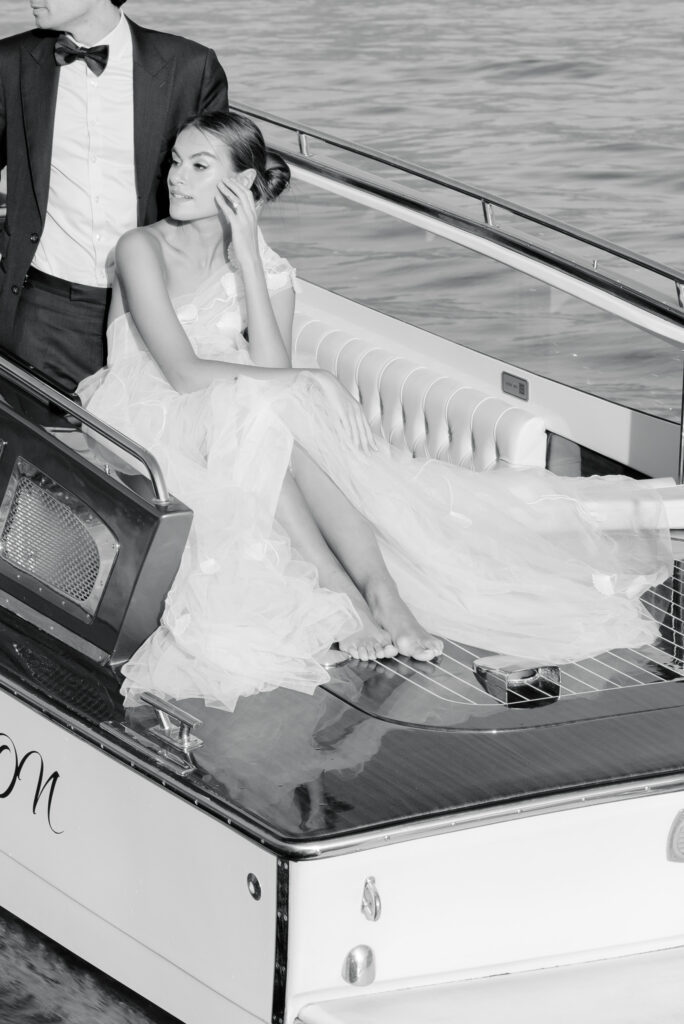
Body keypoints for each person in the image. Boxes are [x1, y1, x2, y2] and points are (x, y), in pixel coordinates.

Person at [78, 110, 674, 714]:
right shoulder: (141, 247)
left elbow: (273, 365)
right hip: (146, 408)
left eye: (198, 166)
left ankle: (380, 596)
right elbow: (181, 372)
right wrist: (308, 377)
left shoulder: (268, 267)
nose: (176, 178)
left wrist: (251, 256)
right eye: (176, 162)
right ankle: (355, 595)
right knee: (262, 408)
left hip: (239, 405)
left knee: (268, 410)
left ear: (243, 185)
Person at [0, 0, 228, 394]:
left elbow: (216, 193)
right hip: (43, 308)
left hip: (158, 310)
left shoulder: (191, 66)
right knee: (41, 452)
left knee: (140, 450)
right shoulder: (10, 61)